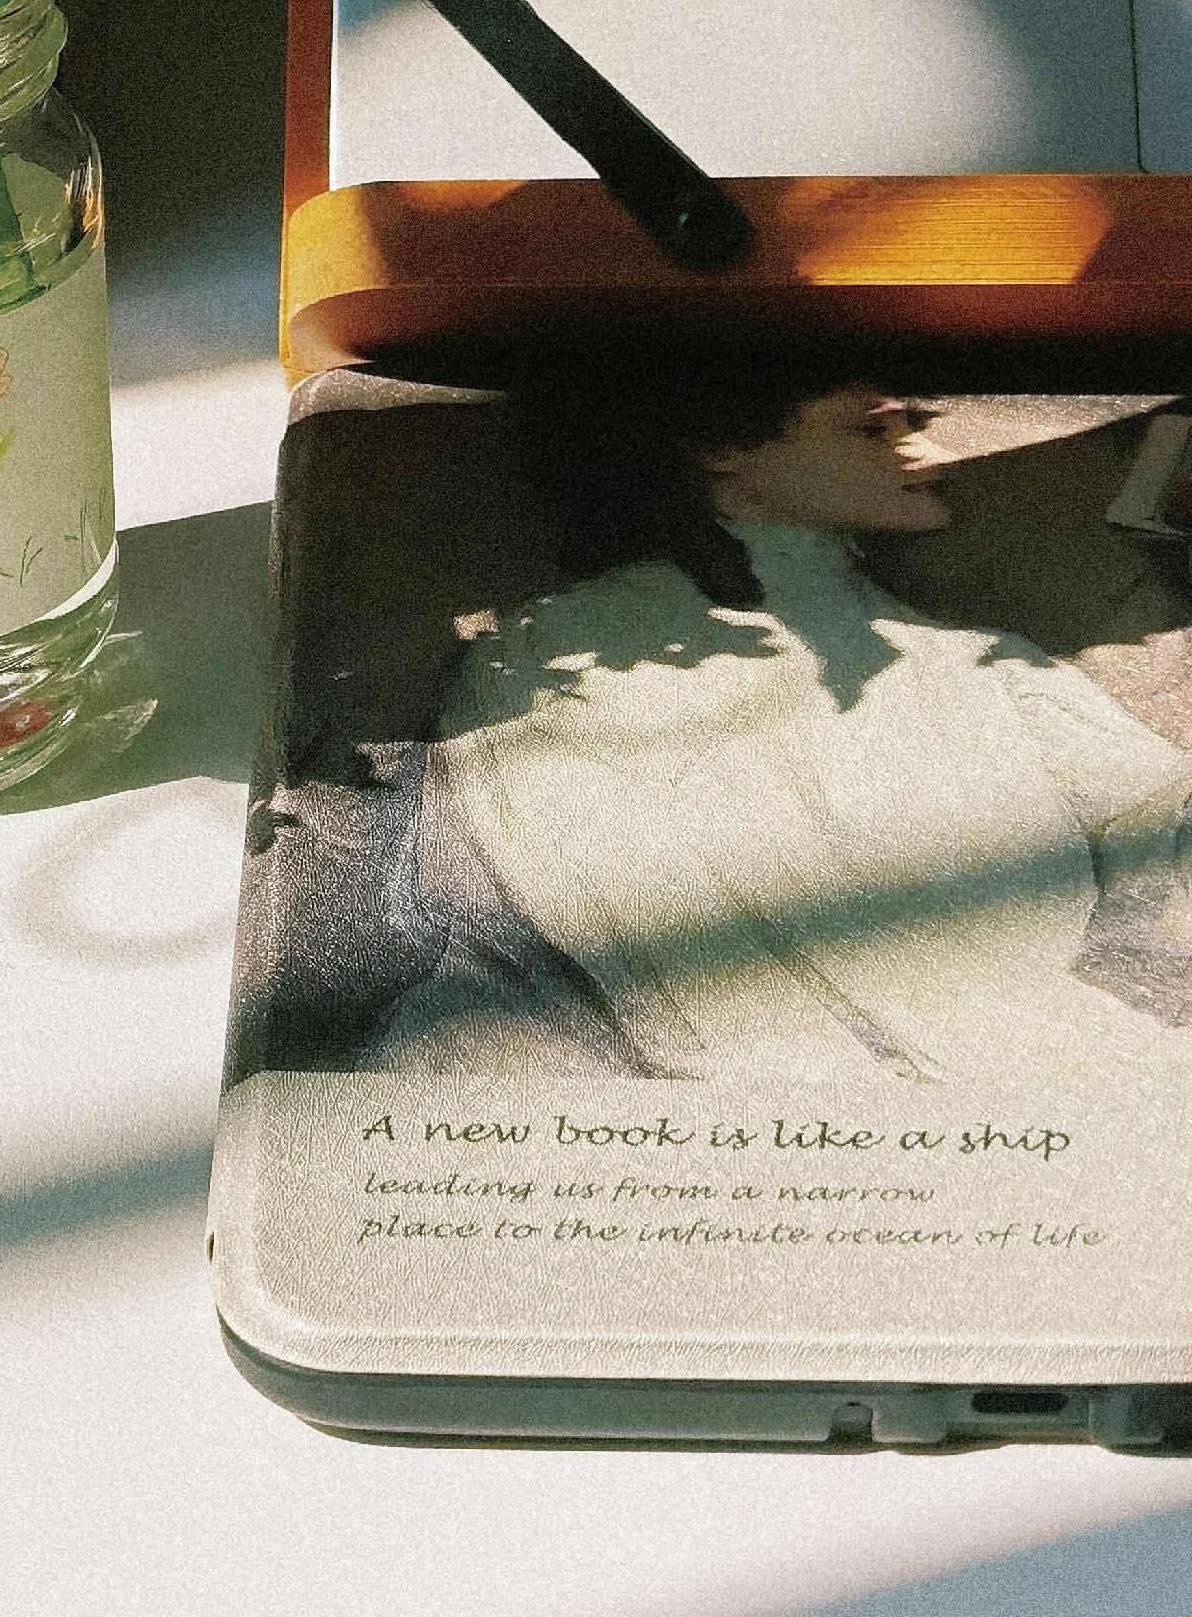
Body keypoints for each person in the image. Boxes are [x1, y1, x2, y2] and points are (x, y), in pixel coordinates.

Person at [368, 353, 1192, 1087]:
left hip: (1022, 1073)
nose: (931, 453)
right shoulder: (568, 655)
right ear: (723, 447)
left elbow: (1159, 830)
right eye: (871, 430)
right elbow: (680, 976)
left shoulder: (977, 664)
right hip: (751, 1101)